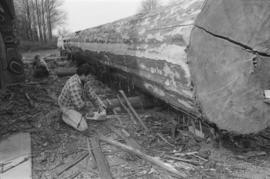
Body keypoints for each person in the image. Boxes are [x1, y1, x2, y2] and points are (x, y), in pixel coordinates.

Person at [58, 63, 106, 131]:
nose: (90, 79)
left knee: (91, 111)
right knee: (83, 127)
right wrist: (88, 111)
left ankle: (79, 114)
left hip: (76, 103)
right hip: (67, 107)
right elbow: (79, 105)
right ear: (83, 75)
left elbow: (92, 94)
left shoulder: (84, 80)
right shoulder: (74, 85)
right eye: (89, 76)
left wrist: (100, 106)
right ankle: (64, 116)